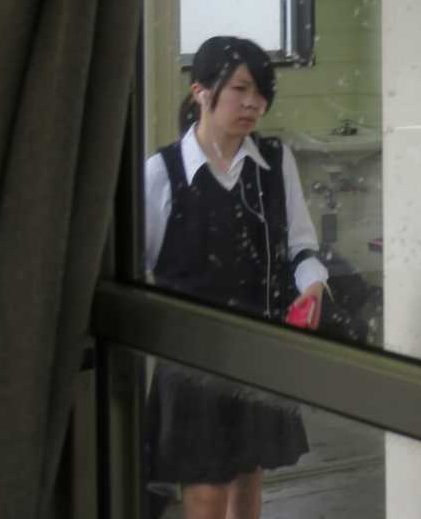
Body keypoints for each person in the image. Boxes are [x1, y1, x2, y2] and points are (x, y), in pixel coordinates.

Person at [143, 36, 329, 519]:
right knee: (206, 493)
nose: (253, 103)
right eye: (240, 89)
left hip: (256, 347)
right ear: (201, 92)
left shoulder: (274, 162)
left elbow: (301, 247)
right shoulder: (162, 173)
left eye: (261, 92)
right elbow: (137, 267)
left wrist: (312, 285)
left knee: (248, 481)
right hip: (193, 358)